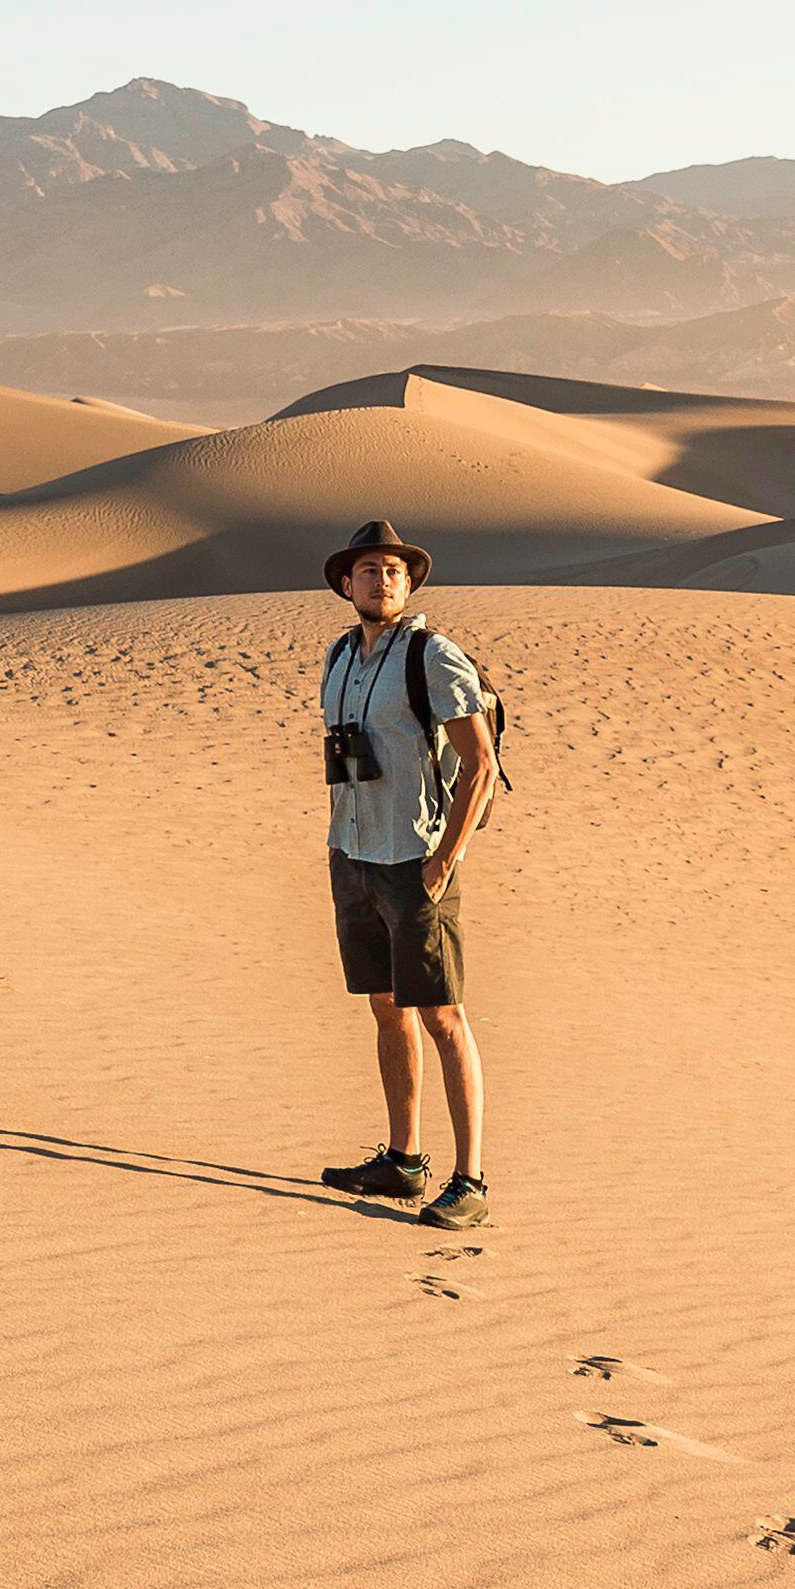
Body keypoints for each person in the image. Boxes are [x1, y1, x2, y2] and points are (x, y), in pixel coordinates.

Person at [312, 518, 494, 1225]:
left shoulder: (433, 655)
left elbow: (480, 763)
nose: (380, 579)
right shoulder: (338, 658)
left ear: (409, 582)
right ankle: (403, 1160)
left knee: (443, 1015)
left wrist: (446, 858)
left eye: (393, 569)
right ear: (345, 584)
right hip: (355, 856)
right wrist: (339, 845)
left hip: (415, 862)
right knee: (385, 1006)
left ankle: (471, 1180)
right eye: (367, 569)